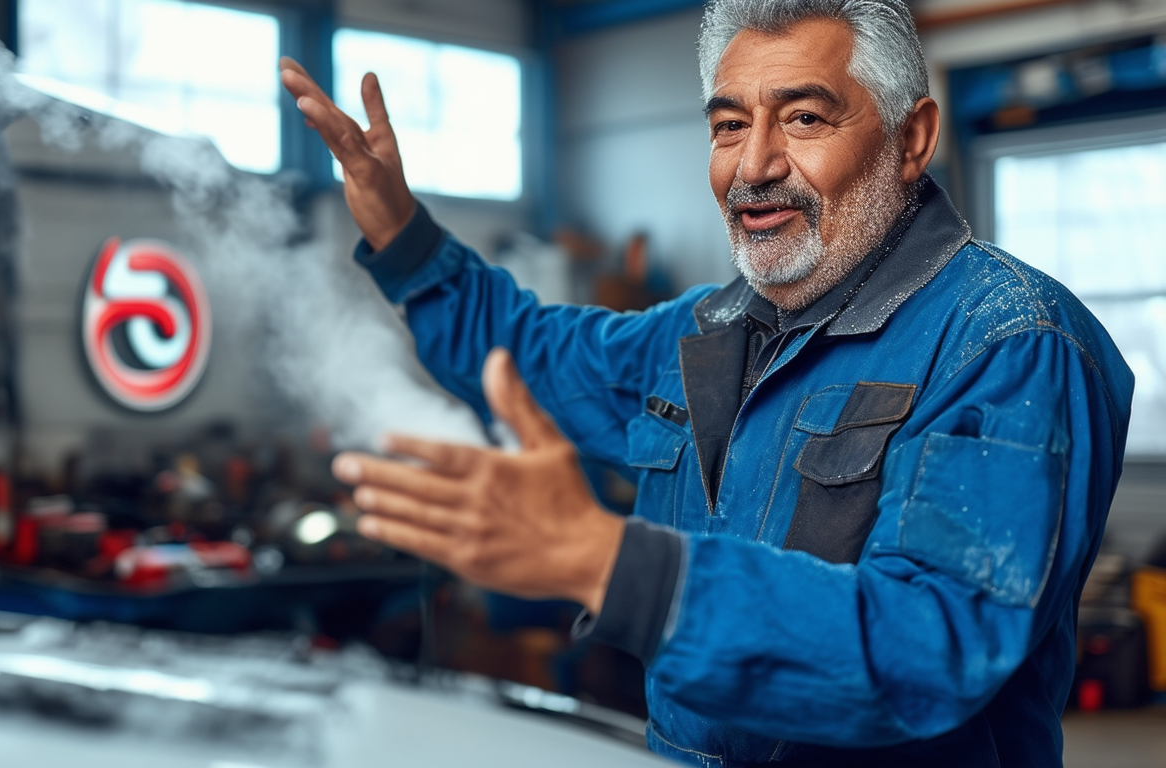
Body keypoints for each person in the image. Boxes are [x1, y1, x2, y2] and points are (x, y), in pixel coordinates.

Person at [280, 0, 1134, 764]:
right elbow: (525, 352)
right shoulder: (704, 333)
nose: (753, 165)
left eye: (803, 118)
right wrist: (404, 239)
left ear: (910, 139)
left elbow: (935, 645)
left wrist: (612, 564)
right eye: (728, 126)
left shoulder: (1009, 342)